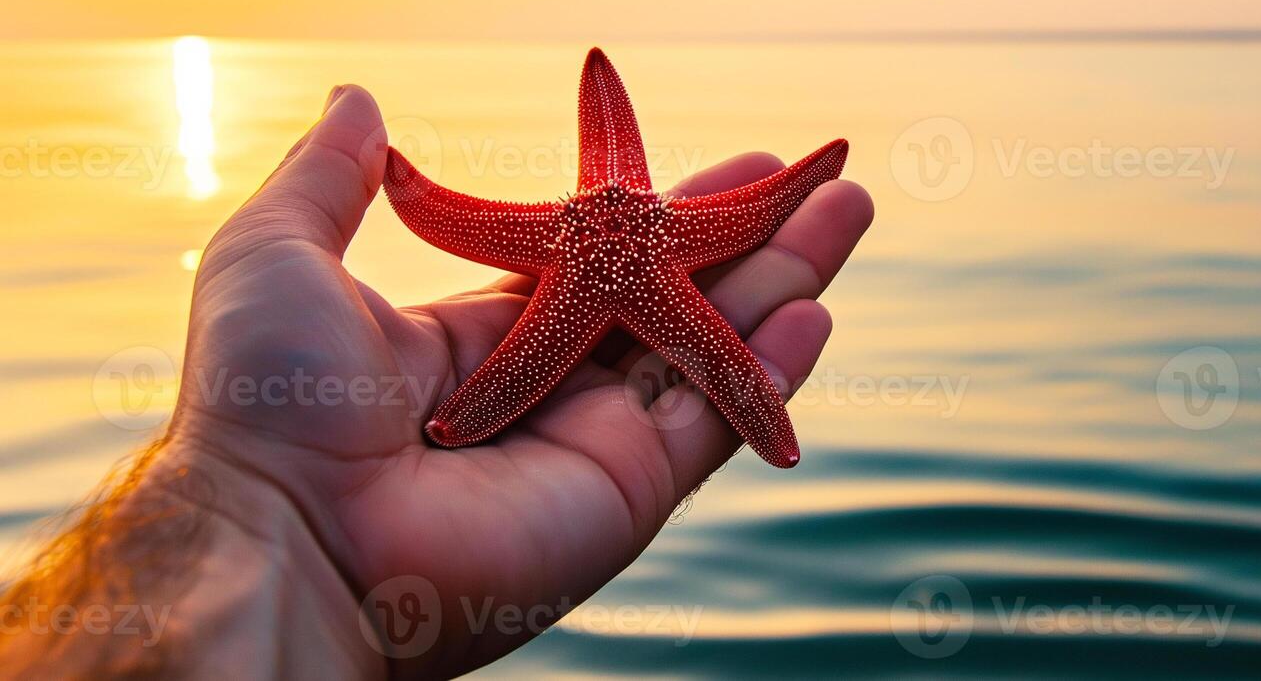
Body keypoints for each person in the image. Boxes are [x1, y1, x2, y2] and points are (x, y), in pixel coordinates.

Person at [0, 84, 874, 677]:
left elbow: (434, 205)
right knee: (732, 360)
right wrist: (277, 513)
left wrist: (266, 512)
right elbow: (432, 205)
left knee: (735, 346)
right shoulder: (623, 251)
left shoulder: (578, 246)